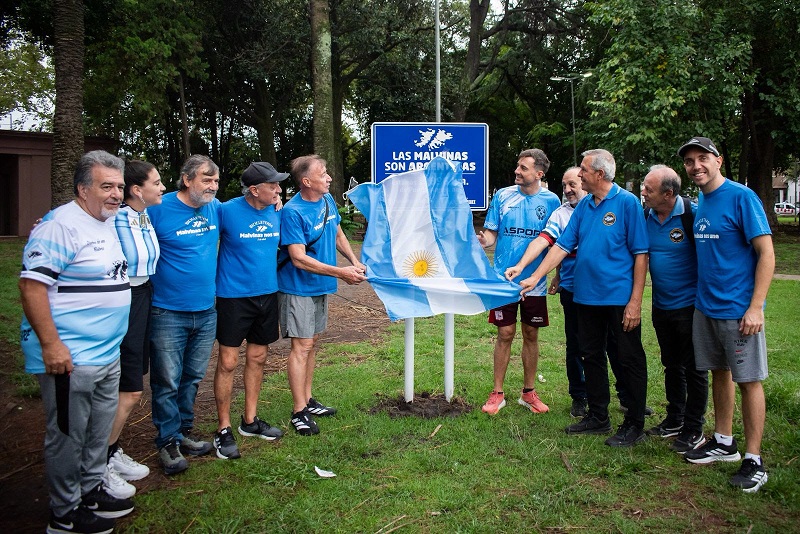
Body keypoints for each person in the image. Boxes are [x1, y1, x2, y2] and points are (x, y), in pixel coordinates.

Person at [20, 150, 135, 533]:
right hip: (71, 356)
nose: (116, 194)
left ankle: (89, 490)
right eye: (106, 186)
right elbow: (32, 286)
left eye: (119, 186)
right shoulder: (60, 226)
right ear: (81, 189)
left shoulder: (106, 219)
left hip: (106, 352)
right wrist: (52, 345)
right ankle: (64, 513)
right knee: (69, 434)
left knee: (97, 430)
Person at [521, 149, 650, 447]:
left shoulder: (627, 203)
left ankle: (634, 423)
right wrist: (537, 275)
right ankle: (598, 416)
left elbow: (640, 255)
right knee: (590, 355)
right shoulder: (584, 207)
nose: (579, 175)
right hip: (586, 298)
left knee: (628, 358)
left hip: (618, 299)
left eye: (583, 170)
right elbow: (562, 246)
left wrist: (635, 302)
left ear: (600, 175)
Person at [677, 137, 774, 493]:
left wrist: (755, 307)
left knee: (748, 380)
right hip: (706, 307)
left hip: (738, 310)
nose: (696, 166)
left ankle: (754, 460)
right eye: (689, 161)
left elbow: (766, 254)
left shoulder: (741, 197)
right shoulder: (701, 200)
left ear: (718, 160)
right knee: (719, 372)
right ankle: (723, 441)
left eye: (702, 158)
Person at [278, 154, 366, 435]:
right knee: (301, 346)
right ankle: (298, 411)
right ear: (306, 181)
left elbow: (338, 234)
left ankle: (307, 399)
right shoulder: (293, 212)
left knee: (312, 342)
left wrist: (353, 261)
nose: (329, 178)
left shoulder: (327, 201)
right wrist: (342, 273)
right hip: (298, 287)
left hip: (320, 286)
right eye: (323, 173)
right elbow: (298, 258)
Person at [147, 155, 221, 475]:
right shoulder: (157, 208)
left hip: (206, 311)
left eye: (216, 181)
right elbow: (116, 220)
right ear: (187, 179)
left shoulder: (215, 208)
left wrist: (275, 203)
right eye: (207, 179)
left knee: (192, 377)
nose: (213, 186)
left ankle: (183, 432)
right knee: (166, 380)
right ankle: (167, 440)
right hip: (167, 311)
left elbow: (250, 206)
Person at [212, 162, 287, 459]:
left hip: (267, 295)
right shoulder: (226, 211)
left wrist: (278, 203)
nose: (279, 190)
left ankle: (250, 421)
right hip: (233, 297)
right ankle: (223, 428)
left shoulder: (277, 211)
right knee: (228, 362)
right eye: (273, 185)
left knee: (258, 356)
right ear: (255, 190)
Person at [477, 149, 561, 415]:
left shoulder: (551, 201)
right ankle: (497, 393)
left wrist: (556, 274)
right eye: (517, 166)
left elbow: (556, 241)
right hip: (503, 279)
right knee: (504, 333)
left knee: (531, 334)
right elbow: (492, 233)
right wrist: (484, 241)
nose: (517, 171)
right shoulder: (502, 196)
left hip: (534, 282)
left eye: (523, 168)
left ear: (539, 173)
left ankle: (529, 392)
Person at [99, 160, 164, 500]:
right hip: (124, 299)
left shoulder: (145, 214)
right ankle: (100, 462)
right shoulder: (113, 218)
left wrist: (275, 201)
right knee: (127, 386)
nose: (162, 187)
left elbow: (201, 197)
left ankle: (112, 449)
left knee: (135, 378)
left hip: (144, 295)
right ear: (137, 190)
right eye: (156, 182)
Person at [641, 165, 709, 453]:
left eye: (649, 189)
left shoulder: (692, 215)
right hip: (661, 305)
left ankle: (694, 428)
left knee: (695, 369)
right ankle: (674, 418)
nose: (642, 192)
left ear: (669, 194)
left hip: (690, 307)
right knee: (671, 365)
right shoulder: (646, 216)